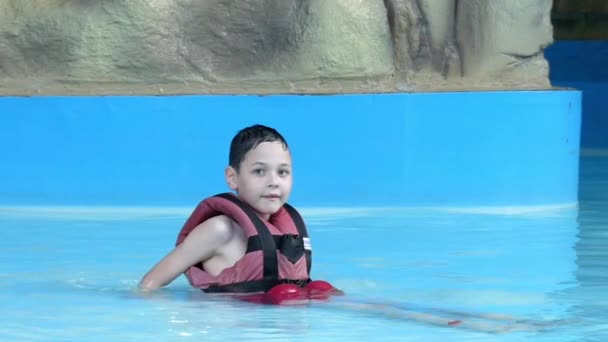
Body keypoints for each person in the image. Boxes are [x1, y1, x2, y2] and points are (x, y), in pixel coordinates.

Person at [138, 124, 341, 304]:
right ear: (232, 178)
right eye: (259, 171)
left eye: (283, 172)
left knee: (322, 291)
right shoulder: (220, 230)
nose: (274, 181)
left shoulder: (288, 231)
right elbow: (148, 285)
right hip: (233, 330)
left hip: (278, 327)